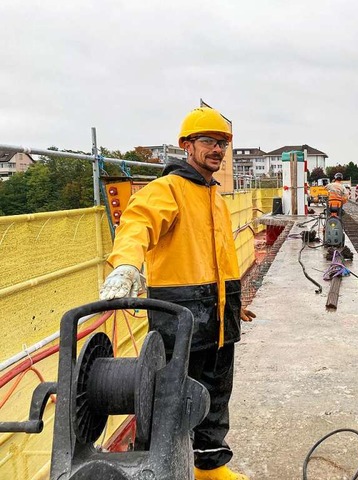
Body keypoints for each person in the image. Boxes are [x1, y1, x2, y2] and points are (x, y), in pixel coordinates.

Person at [99, 106, 255, 480]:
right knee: (167, 401)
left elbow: (218, 259)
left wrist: (233, 305)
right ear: (187, 146)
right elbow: (139, 223)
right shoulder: (167, 190)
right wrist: (126, 264)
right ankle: (154, 471)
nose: (216, 149)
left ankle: (211, 470)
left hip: (218, 319)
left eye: (222, 143)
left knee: (215, 398)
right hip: (180, 320)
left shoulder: (214, 196)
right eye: (208, 142)